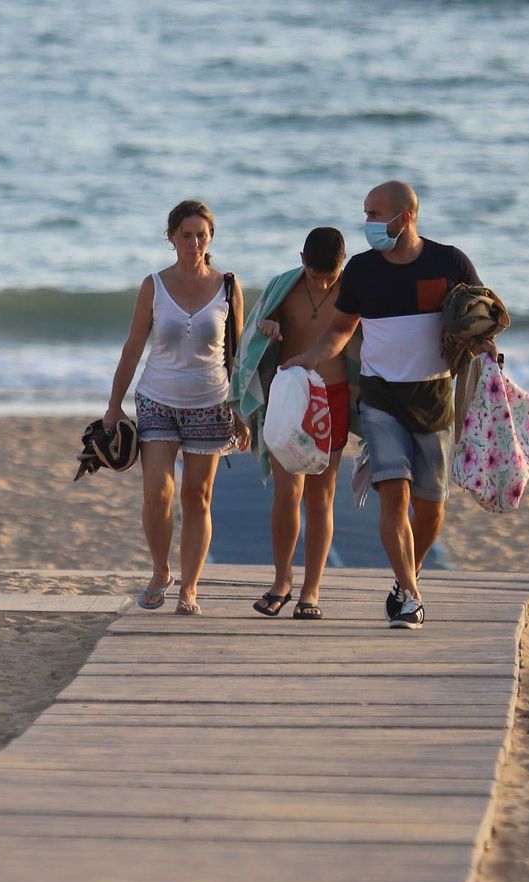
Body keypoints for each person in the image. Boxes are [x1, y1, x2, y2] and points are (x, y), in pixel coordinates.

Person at [285, 181, 494, 629]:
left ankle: (404, 581)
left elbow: (479, 319)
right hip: (380, 397)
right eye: (366, 214)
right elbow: (341, 328)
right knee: (393, 495)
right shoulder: (361, 270)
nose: (369, 224)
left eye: (376, 215)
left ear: (406, 216)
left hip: (435, 396)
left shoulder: (449, 262)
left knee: (432, 507)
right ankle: (411, 598)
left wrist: (488, 349)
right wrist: (311, 357)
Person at [104, 200, 250, 616]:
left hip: (211, 402)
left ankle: (190, 587)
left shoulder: (228, 286)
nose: (194, 242)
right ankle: (159, 572)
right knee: (157, 493)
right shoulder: (154, 285)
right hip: (157, 399)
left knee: (198, 496)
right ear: (171, 238)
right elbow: (133, 348)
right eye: (186, 235)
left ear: (210, 239)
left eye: (201, 235)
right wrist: (114, 405)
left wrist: (241, 411)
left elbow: (236, 356)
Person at [236, 228, 350, 621]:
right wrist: (267, 329)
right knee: (287, 493)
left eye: (330, 276)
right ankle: (281, 581)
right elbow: (255, 332)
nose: (322, 283)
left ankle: (311, 590)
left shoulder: (351, 291)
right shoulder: (283, 287)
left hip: (333, 400)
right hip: (289, 397)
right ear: (302, 258)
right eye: (316, 274)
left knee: (321, 496)